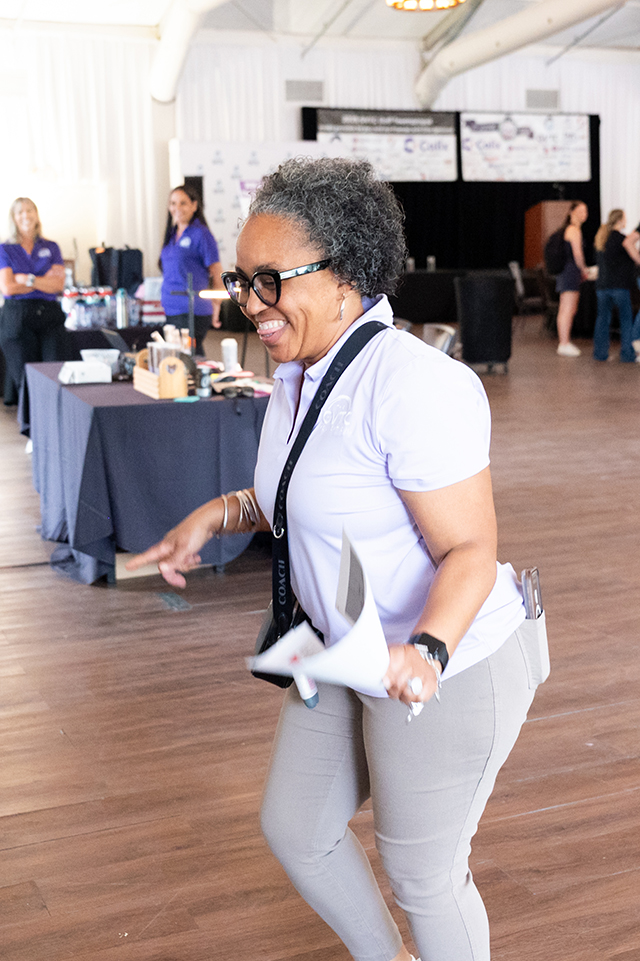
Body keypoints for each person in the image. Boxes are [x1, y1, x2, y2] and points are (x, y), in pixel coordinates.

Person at [128, 158, 545, 961]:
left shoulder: (413, 384)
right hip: (346, 648)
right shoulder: (298, 372)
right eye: (242, 281)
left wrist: (425, 651)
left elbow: (469, 547)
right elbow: (300, 492)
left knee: (423, 877)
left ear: (347, 275)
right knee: (297, 826)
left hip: (447, 664)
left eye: (269, 281)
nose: (251, 303)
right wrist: (215, 515)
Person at [0, 197, 65, 404]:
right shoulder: (5, 249)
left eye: (29, 210)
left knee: (54, 375)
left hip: (49, 316)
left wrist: (27, 279)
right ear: (13, 218)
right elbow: (8, 288)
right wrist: (43, 281)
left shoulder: (51, 247)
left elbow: (58, 285)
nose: (25, 215)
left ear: (36, 215)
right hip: (17, 317)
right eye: (20, 212)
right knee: (26, 382)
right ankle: (31, 423)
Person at [159, 184, 224, 356]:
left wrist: (217, 305)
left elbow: (216, 270)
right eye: (173, 203)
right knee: (177, 356)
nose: (177, 208)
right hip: (171, 307)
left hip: (193, 308)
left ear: (194, 206)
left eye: (183, 203)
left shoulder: (201, 234)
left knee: (189, 354)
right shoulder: (171, 234)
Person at [592, 209, 640, 363]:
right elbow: (631, 259)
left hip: (602, 286)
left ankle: (600, 354)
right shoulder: (622, 240)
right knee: (626, 319)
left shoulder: (601, 239)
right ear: (619, 220)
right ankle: (627, 354)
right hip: (620, 286)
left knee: (602, 319)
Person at [555, 200, 589, 357]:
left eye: (585, 211)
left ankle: (564, 341)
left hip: (567, 272)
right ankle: (564, 342)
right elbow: (578, 254)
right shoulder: (574, 230)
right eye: (580, 211)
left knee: (567, 307)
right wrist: (584, 269)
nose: (584, 214)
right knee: (567, 308)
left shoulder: (569, 229)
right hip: (570, 272)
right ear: (571, 212)